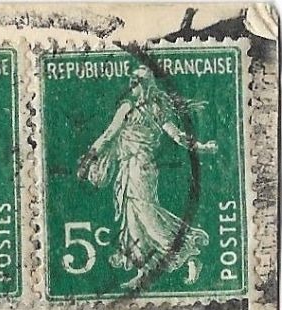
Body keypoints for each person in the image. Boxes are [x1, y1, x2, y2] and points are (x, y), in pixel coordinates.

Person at [78, 66, 217, 287]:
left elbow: (175, 136)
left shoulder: (148, 107)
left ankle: (187, 254)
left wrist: (201, 146)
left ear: (146, 84)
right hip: (129, 166)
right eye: (133, 80)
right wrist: (91, 157)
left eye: (138, 81)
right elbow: (110, 135)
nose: (133, 85)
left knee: (147, 216)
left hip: (140, 168)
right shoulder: (137, 107)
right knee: (132, 219)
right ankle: (144, 270)